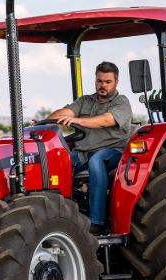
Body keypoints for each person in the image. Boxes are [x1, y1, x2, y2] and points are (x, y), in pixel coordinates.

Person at [46, 61, 133, 235]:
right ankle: (58, 216)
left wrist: (78, 121)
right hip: (83, 152)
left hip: (113, 150)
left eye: (107, 82)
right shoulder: (85, 101)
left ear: (116, 82)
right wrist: (46, 123)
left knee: (96, 161)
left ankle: (96, 222)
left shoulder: (121, 102)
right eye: (99, 81)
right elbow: (65, 112)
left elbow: (107, 120)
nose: (103, 85)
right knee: (56, 162)